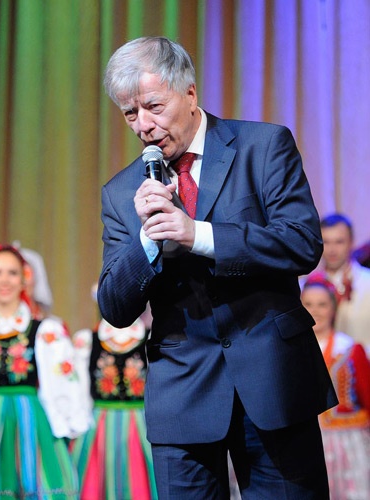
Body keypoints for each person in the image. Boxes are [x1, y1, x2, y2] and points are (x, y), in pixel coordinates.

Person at [97, 36, 337, 498]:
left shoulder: (262, 146)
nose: (144, 125)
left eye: (153, 106)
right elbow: (114, 306)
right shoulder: (122, 192)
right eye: (130, 114)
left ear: (189, 92)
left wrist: (198, 235)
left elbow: (302, 242)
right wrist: (147, 238)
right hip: (182, 394)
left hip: (274, 381)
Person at [0, 243, 91, 498]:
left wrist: (68, 421)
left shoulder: (46, 332)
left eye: (12, 273)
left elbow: (61, 384)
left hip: (29, 421)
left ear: (25, 278)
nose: (5, 280)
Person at [71, 283, 156, 500]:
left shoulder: (150, 339)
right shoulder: (87, 340)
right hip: (98, 426)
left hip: (141, 426)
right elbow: (80, 389)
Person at [301, 274, 370, 499]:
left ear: (333, 308)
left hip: (346, 445)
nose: (315, 311)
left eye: (322, 304)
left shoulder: (349, 349)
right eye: (308, 304)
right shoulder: (288, 351)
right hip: (303, 444)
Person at [313, 213, 370, 349]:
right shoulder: (307, 287)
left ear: (351, 242)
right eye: (326, 242)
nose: (332, 250)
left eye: (339, 242)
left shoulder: (368, 283)